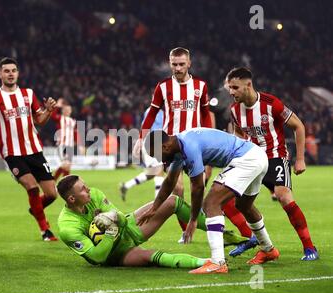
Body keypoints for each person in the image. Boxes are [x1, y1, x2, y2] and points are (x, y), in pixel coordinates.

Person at [140, 128, 280, 274]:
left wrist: (193, 219)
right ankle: (268, 249)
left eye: (157, 155)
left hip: (246, 159)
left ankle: (217, 262)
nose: (159, 160)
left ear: (165, 147)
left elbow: (198, 187)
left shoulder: (189, 146)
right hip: (256, 156)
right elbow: (169, 182)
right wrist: (154, 208)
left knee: (211, 203)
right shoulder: (179, 149)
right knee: (244, 205)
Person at [226, 67, 319, 261]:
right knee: (228, 199)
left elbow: (298, 125)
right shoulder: (235, 110)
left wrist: (300, 158)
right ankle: (253, 239)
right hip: (252, 159)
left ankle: (310, 248)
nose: (231, 92)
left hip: (275, 156)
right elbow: (238, 133)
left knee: (284, 197)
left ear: (248, 85)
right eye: (230, 88)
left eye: (235, 87)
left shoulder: (271, 103)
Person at [132, 47, 215, 242]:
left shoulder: (200, 86)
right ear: (170, 64)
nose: (177, 68)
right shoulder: (162, 87)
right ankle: (186, 231)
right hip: (173, 146)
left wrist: (210, 137)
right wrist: (140, 138)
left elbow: (204, 114)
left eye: (181, 64)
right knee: (177, 190)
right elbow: (152, 113)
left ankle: (196, 221)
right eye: (174, 64)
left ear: (189, 63)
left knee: (199, 187)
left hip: (196, 144)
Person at [0, 57, 59, 241]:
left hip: (34, 150)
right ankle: (45, 230)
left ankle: (35, 209)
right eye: (6, 71)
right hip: (13, 154)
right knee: (31, 187)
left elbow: (40, 120)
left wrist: (49, 110)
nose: (10, 74)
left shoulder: (28, 94)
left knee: (52, 194)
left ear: (18, 73)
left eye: (13, 70)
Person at [56, 175, 209, 268]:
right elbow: (97, 257)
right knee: (154, 258)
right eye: (83, 188)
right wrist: (110, 233)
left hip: (126, 229)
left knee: (172, 201)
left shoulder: (94, 194)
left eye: (86, 185)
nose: (88, 189)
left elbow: (121, 218)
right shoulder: (68, 227)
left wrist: (115, 217)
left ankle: (219, 231)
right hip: (114, 253)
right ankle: (205, 263)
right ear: (71, 199)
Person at [119, 106, 165, 202]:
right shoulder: (154, 111)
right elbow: (152, 128)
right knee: (159, 170)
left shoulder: (157, 111)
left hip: (152, 141)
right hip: (153, 141)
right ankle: (157, 203)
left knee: (152, 172)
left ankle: (126, 186)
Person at [51, 98, 77, 180]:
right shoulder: (59, 118)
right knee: (65, 165)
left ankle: (65, 184)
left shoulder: (72, 121)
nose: (68, 111)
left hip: (70, 146)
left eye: (69, 109)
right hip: (62, 145)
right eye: (66, 109)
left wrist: (77, 143)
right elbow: (52, 115)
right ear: (63, 111)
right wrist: (57, 106)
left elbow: (74, 132)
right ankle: (54, 180)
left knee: (68, 166)